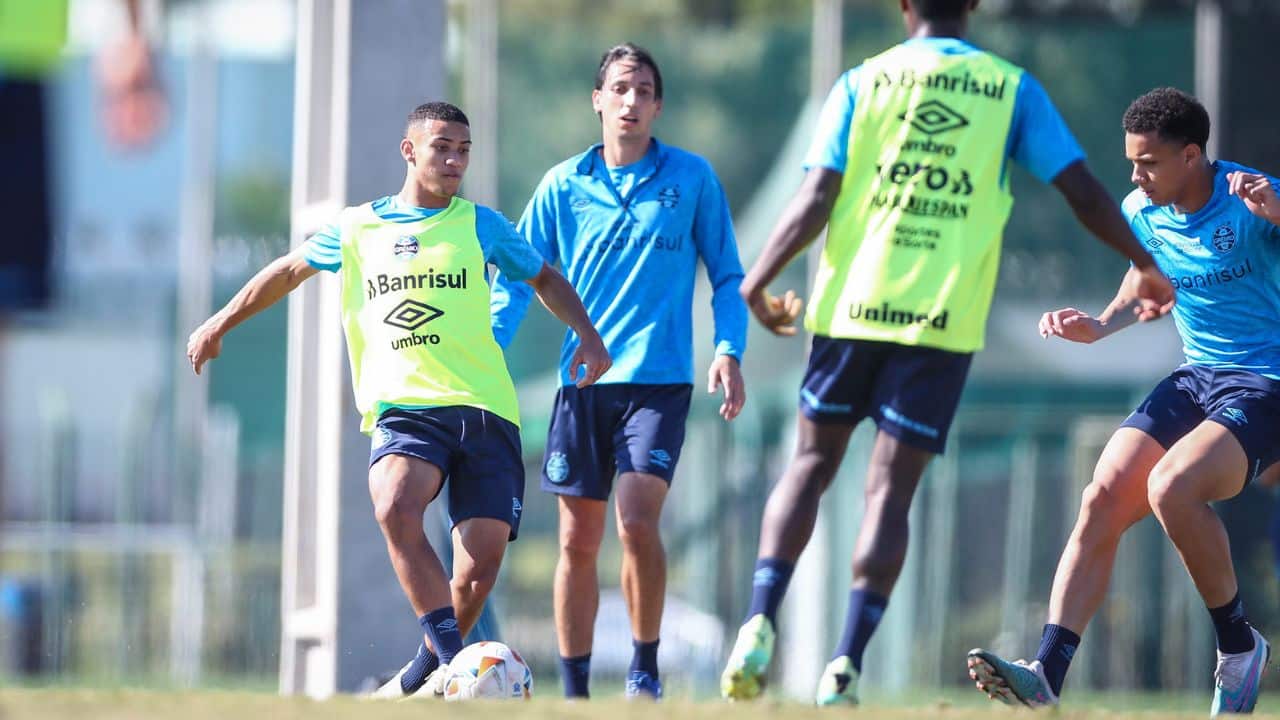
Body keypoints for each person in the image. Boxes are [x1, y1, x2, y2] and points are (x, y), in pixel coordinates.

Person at [717, 0, 1175, 706]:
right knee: (889, 494)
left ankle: (758, 620)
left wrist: (757, 281)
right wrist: (1143, 260)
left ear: (903, 6)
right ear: (972, 6)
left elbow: (817, 194)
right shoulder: (1008, 88)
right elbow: (1081, 190)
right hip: (939, 324)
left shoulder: (862, 82)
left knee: (808, 465)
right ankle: (844, 663)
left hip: (851, 311)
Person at [186, 101, 610, 698]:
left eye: (464, 149)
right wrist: (219, 323)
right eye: (443, 147)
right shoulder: (358, 228)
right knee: (393, 503)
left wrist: (587, 334)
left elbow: (542, 276)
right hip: (406, 409)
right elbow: (284, 272)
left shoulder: (481, 224)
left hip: (486, 409)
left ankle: (417, 679)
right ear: (409, 151)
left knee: (478, 570)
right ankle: (460, 667)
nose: (456, 159)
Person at [968, 87, 1280, 717]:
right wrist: (1100, 324)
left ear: (1193, 156)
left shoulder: (1255, 197)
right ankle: (1046, 674)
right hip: (1198, 376)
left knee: (1172, 488)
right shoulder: (1143, 210)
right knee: (1104, 493)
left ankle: (1238, 648)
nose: (1136, 176)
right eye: (1131, 162)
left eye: (1149, 163)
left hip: (1267, 380)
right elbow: (1146, 277)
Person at [489, 43, 748, 700]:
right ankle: (574, 691)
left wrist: (728, 348)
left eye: (645, 92)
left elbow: (725, 276)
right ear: (598, 100)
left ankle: (643, 670)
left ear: (658, 106)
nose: (632, 102)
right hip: (581, 385)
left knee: (636, 520)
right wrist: (489, 347)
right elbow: (520, 279)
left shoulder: (691, 179)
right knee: (577, 540)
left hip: (659, 383)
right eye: (621, 89)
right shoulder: (560, 186)